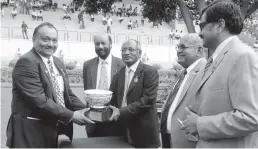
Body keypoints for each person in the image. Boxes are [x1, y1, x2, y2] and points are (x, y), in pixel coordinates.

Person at [181, 1, 258, 148]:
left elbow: (251, 117)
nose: (199, 32)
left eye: (202, 25)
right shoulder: (217, 58)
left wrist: (200, 124)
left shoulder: (242, 56)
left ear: (219, 25)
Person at [6, 22, 94, 148]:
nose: (51, 44)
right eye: (45, 39)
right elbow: (39, 100)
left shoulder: (58, 62)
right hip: (31, 134)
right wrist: (72, 115)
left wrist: (88, 111)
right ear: (34, 40)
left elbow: (67, 94)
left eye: (54, 40)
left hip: (55, 131)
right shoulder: (26, 62)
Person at [108, 39, 161, 148]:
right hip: (122, 130)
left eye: (131, 49)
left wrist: (121, 111)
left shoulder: (149, 71)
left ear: (140, 53)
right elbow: (110, 97)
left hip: (143, 132)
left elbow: (148, 99)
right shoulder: (119, 74)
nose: (126, 52)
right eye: (123, 50)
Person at [160, 33, 206, 148]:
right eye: (178, 47)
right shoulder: (186, 72)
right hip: (169, 140)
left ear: (199, 51)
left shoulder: (206, 72)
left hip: (188, 142)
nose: (178, 51)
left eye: (183, 47)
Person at [83, 33, 125, 137]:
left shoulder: (122, 65)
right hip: (92, 119)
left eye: (103, 43)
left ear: (110, 44)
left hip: (114, 118)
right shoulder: (87, 65)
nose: (100, 46)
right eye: (97, 44)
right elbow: (87, 91)